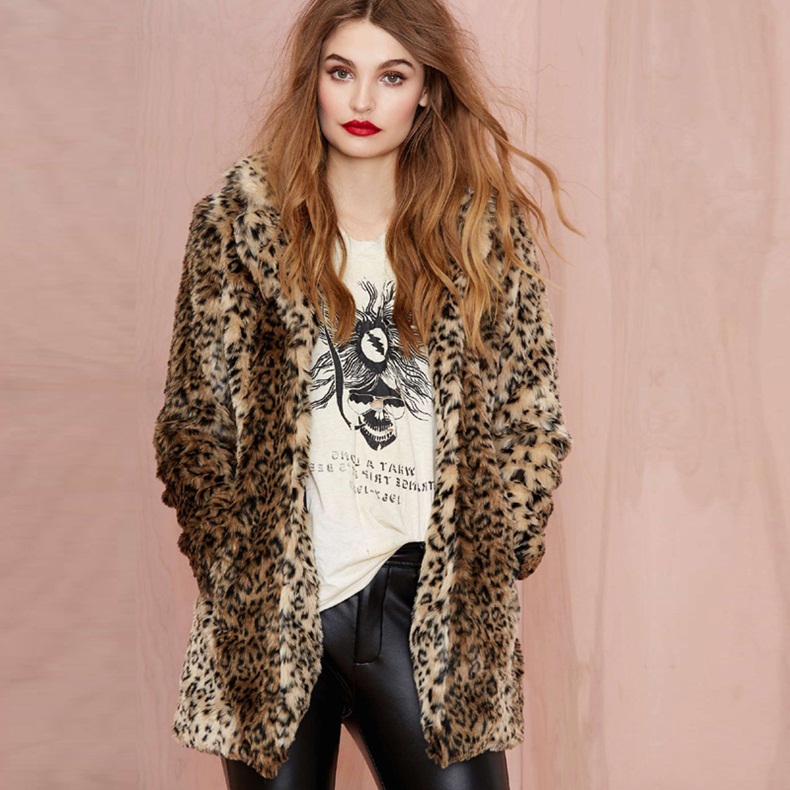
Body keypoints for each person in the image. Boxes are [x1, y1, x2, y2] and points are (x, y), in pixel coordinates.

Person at [152, 0, 576, 787]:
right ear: (313, 79)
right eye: (341, 72)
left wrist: (495, 552)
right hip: (274, 609)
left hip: (423, 602)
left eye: (392, 76)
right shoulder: (239, 227)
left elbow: (530, 418)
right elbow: (193, 422)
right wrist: (234, 564)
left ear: (427, 91)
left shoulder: (483, 235)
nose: (361, 100)